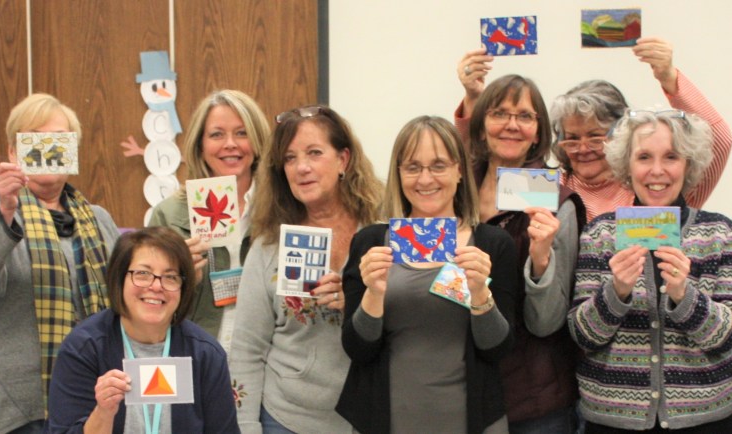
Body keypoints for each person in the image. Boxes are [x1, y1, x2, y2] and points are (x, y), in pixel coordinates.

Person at [0, 94, 122, 433]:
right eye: (36, 139)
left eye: (59, 139)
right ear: (14, 152)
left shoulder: (97, 219)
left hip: (85, 396)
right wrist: (5, 213)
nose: (48, 148)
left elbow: (122, 297)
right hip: (3, 405)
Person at [568, 109, 732, 432]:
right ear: (627, 166)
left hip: (706, 419)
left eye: (671, 157)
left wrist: (684, 295)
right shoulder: (600, 233)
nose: (656, 170)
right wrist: (616, 292)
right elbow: (584, 336)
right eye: (643, 157)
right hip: (614, 420)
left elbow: (730, 336)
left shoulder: (720, 232)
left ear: (688, 165)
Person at [337, 116, 519, 434]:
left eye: (438, 166)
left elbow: (497, 350)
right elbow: (357, 349)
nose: (425, 179)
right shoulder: (371, 243)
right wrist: (374, 293)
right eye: (412, 167)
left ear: (459, 170)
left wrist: (480, 293)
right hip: (384, 421)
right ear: (398, 174)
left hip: (474, 421)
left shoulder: (493, 245)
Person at [229, 105, 383, 433]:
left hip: (370, 418)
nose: (302, 167)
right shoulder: (268, 246)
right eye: (289, 158)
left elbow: (414, 323)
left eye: (314, 153)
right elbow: (247, 350)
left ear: (343, 160)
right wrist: (246, 427)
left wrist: (358, 302)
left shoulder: (384, 234)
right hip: (286, 419)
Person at [458, 37, 732, 221]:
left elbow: (719, 141)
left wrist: (669, 78)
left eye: (595, 138)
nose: (583, 149)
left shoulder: (654, 185)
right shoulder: (552, 185)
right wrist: (474, 102)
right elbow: (473, 174)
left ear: (621, 139)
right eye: (572, 139)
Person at [460, 71, 587, 432]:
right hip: (461, 386)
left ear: (538, 132)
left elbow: (547, 323)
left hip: (533, 400)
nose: (512, 125)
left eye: (525, 116)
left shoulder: (556, 203)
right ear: (480, 126)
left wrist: (541, 259)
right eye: (499, 113)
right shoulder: (455, 192)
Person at [46, 227, 238, 433]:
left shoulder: (205, 353)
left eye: (170, 277)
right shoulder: (84, 348)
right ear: (119, 279)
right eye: (143, 274)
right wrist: (103, 412)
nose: (156, 286)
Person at [148, 89, 271, 350]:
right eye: (217, 134)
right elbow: (146, 301)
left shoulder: (280, 211)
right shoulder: (168, 215)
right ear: (200, 146)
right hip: (195, 356)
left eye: (242, 133)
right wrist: (177, 278)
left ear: (258, 141)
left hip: (261, 357)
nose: (230, 144)